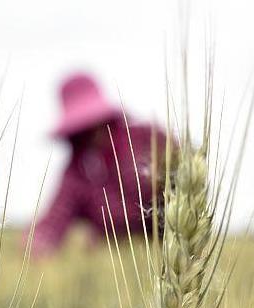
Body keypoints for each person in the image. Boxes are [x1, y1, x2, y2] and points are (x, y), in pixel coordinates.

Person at [27, 73, 172, 256]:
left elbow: (188, 176)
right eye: (82, 131)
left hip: (172, 254)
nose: (93, 134)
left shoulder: (148, 139)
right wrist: (35, 246)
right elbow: (52, 223)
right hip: (120, 268)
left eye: (96, 124)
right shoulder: (74, 175)